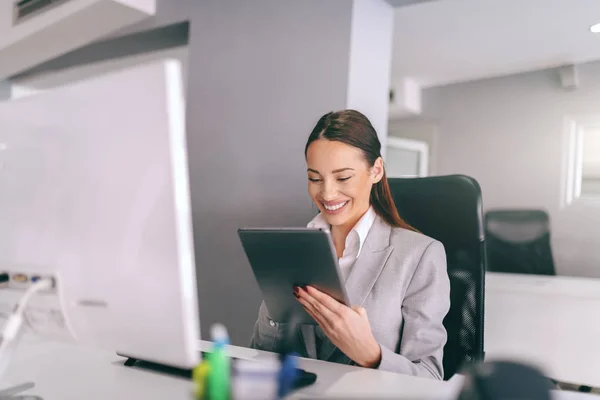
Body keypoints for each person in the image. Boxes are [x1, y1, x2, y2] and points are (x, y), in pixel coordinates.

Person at [250, 110, 450, 379]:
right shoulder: (295, 248)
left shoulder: (420, 255)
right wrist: (275, 307)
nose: (327, 193)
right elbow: (261, 354)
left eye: (343, 178)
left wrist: (370, 354)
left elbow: (430, 379)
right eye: (315, 178)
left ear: (376, 170)